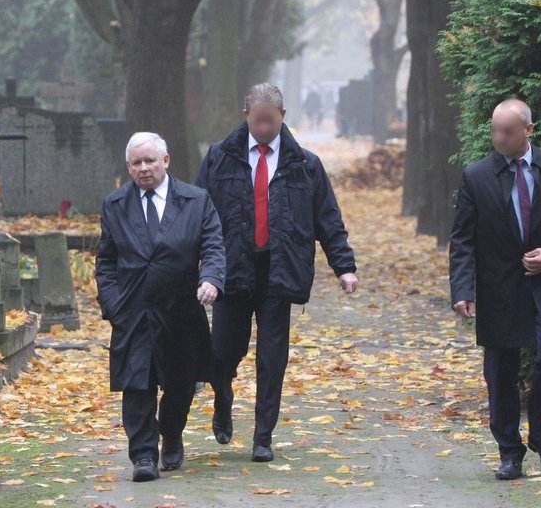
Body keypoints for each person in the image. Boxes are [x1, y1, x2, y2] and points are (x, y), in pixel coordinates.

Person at [196, 82, 358, 463]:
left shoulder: (305, 164)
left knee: (272, 358)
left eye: (271, 122)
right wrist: (195, 267)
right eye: (258, 122)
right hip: (232, 269)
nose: (265, 129)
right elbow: (197, 215)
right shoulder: (220, 157)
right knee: (222, 353)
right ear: (245, 116)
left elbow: (327, 219)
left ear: (283, 117)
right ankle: (223, 398)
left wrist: (344, 267)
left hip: (279, 270)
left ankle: (262, 436)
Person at [449, 99, 541, 480]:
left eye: (507, 131)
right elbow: (463, 239)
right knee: (500, 373)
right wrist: (463, 289)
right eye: (495, 130)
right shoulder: (476, 176)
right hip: (499, 289)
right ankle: (509, 452)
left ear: (528, 130)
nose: (499, 138)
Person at [96, 132, 225, 482]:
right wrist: (111, 303)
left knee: (181, 384)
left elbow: (213, 244)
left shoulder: (196, 200)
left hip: (181, 308)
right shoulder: (115, 204)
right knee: (137, 384)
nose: (144, 168)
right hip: (133, 309)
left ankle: (171, 435)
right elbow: (106, 261)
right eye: (136, 163)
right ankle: (142, 456)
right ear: (128, 167)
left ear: (165, 161)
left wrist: (211, 279)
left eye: (150, 160)